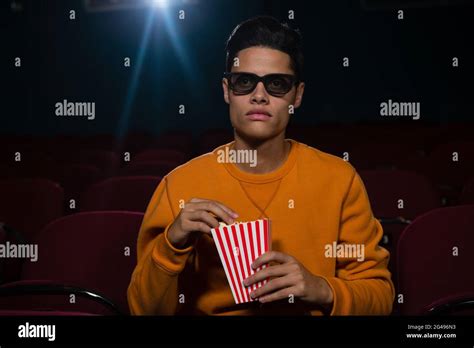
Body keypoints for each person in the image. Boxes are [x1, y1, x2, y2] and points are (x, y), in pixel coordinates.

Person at [127, 15, 394, 315]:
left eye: (276, 84)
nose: (259, 96)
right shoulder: (178, 185)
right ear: (227, 90)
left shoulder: (340, 179)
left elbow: (381, 298)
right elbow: (142, 310)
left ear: (298, 95)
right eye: (245, 82)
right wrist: (171, 244)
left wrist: (321, 289)